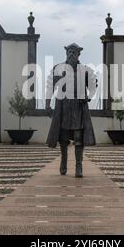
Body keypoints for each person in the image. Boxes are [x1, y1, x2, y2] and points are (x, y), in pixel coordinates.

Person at [45, 43, 97, 178]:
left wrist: (88, 98)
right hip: (63, 106)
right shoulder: (58, 69)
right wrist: (47, 104)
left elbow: (93, 85)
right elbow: (50, 85)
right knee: (63, 138)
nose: (71, 54)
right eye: (69, 52)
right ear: (66, 53)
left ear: (79, 54)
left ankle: (79, 166)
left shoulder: (85, 70)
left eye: (74, 52)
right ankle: (63, 163)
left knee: (79, 137)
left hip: (78, 107)